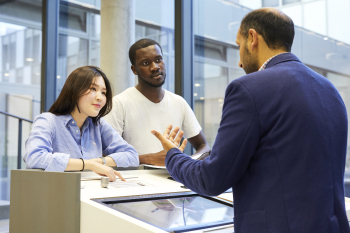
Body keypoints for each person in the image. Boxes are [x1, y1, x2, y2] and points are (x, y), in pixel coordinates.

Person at [151, 8, 350, 233]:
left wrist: (172, 155)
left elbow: (211, 179)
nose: (239, 62)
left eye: (238, 46)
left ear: (252, 38)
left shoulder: (249, 89)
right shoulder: (330, 91)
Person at [104, 38, 210, 166]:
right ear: (134, 70)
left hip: (174, 180)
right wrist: (147, 159)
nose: (155, 67)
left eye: (158, 60)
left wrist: (186, 162)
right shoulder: (119, 104)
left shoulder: (179, 102)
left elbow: (204, 147)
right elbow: (104, 156)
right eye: (145, 63)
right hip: (135, 182)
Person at [24, 66, 139, 181]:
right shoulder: (48, 120)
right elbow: (34, 158)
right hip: (57, 194)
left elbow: (132, 156)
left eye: (103, 92)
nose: (100, 97)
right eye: (93, 89)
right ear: (75, 90)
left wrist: (99, 162)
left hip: (92, 194)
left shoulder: (98, 125)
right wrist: (88, 165)